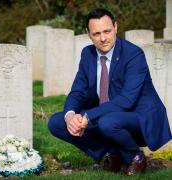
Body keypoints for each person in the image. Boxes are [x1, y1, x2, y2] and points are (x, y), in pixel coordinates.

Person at [48, 8, 172, 175]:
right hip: (108, 114)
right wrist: (70, 115)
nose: (103, 38)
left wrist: (88, 116)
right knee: (57, 122)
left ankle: (135, 157)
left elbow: (126, 100)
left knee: (107, 122)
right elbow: (78, 91)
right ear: (88, 34)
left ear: (115, 27)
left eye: (107, 31)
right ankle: (112, 154)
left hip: (139, 116)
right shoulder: (87, 54)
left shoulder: (133, 54)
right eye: (96, 33)